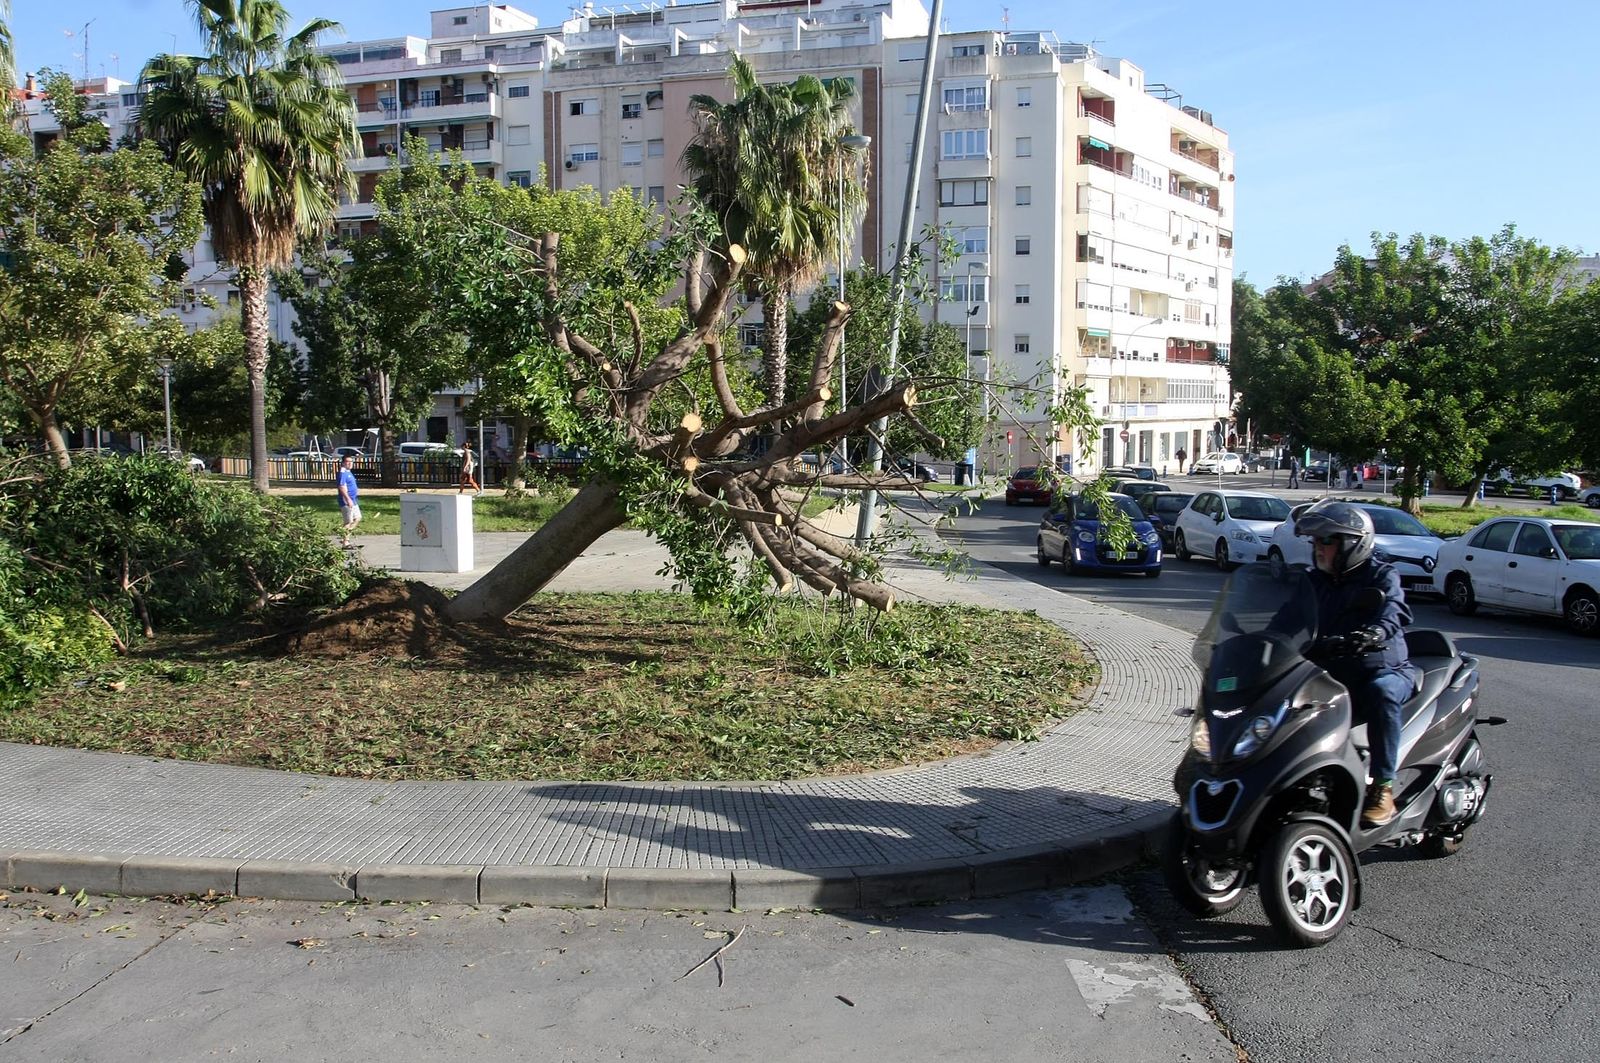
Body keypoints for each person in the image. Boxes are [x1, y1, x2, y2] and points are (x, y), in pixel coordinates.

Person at [1294, 500, 1413, 827]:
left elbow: (1394, 612)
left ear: (1352, 543)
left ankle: (1383, 788)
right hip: (1331, 674)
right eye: (1315, 541)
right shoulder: (1313, 581)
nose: (1318, 548)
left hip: (1379, 669)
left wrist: (1373, 632)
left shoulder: (1381, 575)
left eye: (1327, 541)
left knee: (1381, 692)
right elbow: (1285, 618)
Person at [337, 454, 361, 547]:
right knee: (348, 521)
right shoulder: (342, 473)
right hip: (346, 501)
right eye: (348, 461)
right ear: (343, 463)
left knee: (357, 518)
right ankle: (345, 542)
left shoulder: (348, 472)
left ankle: (345, 536)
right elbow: (341, 487)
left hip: (353, 500)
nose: (350, 463)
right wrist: (348, 499)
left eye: (351, 461)